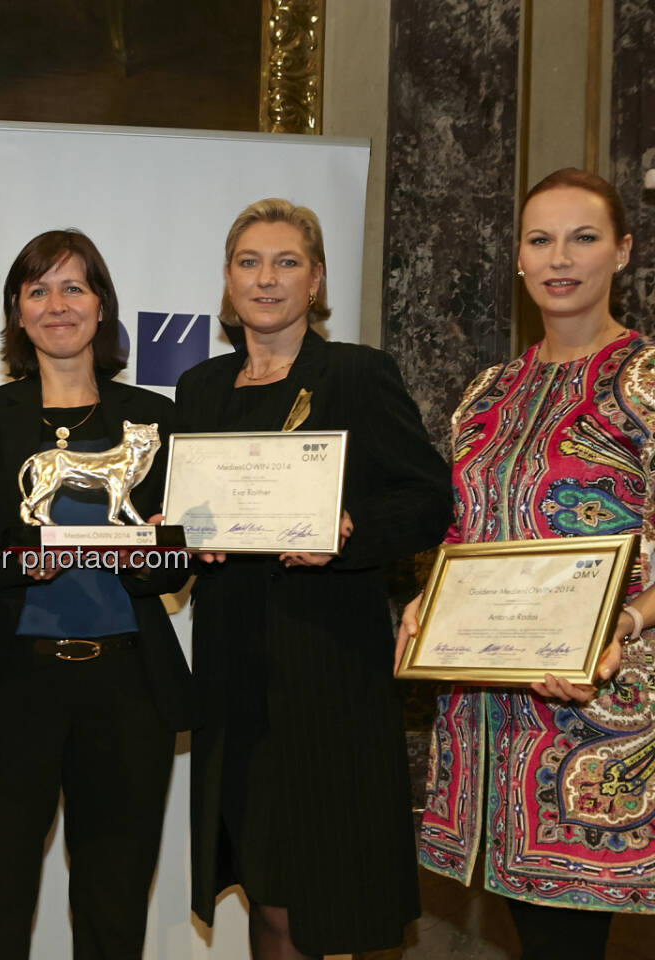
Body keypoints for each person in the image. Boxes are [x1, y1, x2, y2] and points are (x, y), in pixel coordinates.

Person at [174, 198, 451, 958]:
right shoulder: (200, 388)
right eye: (249, 263)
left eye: (286, 262)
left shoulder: (358, 374)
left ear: (317, 278)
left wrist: (350, 527)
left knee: (331, 896)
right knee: (267, 890)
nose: (267, 279)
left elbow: (430, 498)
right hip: (234, 679)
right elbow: (180, 513)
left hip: (329, 674)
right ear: (228, 280)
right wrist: (190, 539)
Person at [398, 168, 655, 957]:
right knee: (540, 937)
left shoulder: (648, 379)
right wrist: (427, 603)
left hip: (613, 697)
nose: (560, 258)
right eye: (540, 240)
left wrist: (625, 620)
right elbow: (469, 532)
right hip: (497, 715)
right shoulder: (487, 392)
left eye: (583, 237)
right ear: (517, 257)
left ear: (623, 251)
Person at [0, 229, 193, 959]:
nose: (57, 305)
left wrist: (149, 548)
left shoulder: (156, 420)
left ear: (102, 307)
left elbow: (175, 566)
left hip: (127, 689)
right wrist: (22, 561)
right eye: (38, 290)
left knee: (114, 916)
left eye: (74, 287)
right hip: (5, 689)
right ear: (17, 313)